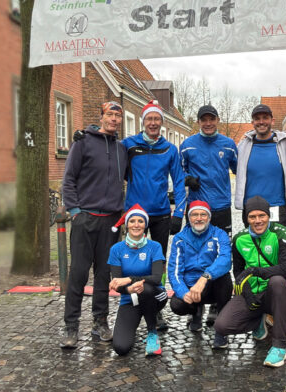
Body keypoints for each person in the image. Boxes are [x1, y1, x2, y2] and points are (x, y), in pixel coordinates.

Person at [60, 101, 128, 349]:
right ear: (101, 117)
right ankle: (71, 326)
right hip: (85, 218)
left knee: (103, 275)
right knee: (78, 274)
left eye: (117, 116)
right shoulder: (82, 142)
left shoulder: (122, 149)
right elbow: (68, 180)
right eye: (110, 114)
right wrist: (76, 211)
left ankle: (100, 322)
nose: (114, 119)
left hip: (110, 221)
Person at [122, 100, 187, 330]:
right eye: (149, 118)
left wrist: (179, 212)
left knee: (157, 263)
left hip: (160, 213)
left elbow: (179, 181)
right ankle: (132, 303)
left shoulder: (170, 149)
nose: (153, 123)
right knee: (132, 261)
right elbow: (107, 155)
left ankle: (157, 309)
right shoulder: (128, 145)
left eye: (157, 119)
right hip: (136, 214)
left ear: (162, 122)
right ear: (143, 121)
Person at [214, 196, 286, 368]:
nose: (257, 221)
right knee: (221, 325)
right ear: (246, 218)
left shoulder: (281, 233)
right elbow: (238, 271)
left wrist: (258, 271)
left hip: (277, 292)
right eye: (252, 217)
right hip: (253, 292)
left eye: (261, 216)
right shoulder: (239, 238)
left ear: (268, 216)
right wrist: (247, 292)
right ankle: (260, 318)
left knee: (278, 281)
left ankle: (279, 345)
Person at [180, 105, 237, 325]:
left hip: (221, 206)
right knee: (194, 255)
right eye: (204, 120)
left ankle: (215, 303)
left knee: (221, 253)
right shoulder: (187, 145)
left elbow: (237, 169)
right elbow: (179, 171)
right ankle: (196, 306)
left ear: (217, 120)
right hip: (196, 208)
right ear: (198, 122)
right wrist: (187, 178)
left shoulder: (229, 145)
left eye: (211, 119)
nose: (208, 123)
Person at [167, 201, 232, 346]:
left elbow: (225, 259)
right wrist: (184, 292)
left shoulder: (219, 234)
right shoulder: (179, 239)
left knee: (225, 280)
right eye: (194, 214)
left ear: (209, 217)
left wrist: (205, 277)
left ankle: (221, 330)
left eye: (203, 214)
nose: (199, 218)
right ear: (189, 218)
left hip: (212, 284)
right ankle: (195, 312)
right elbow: (174, 271)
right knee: (177, 305)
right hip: (191, 287)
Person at [108, 204, 168, 356]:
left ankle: (152, 333)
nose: (136, 224)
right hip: (130, 298)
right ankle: (131, 328)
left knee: (144, 288)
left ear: (145, 225)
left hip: (155, 295)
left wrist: (129, 279)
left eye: (140, 221)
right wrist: (128, 289)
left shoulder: (155, 246)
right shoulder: (116, 249)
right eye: (132, 221)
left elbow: (155, 278)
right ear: (126, 224)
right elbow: (117, 283)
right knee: (121, 347)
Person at [235, 104, 286, 227]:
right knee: (254, 245)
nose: (261, 122)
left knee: (278, 245)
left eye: (265, 117)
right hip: (251, 207)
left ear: (272, 121)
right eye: (257, 119)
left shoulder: (285, 144)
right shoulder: (243, 146)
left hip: (276, 206)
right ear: (252, 122)